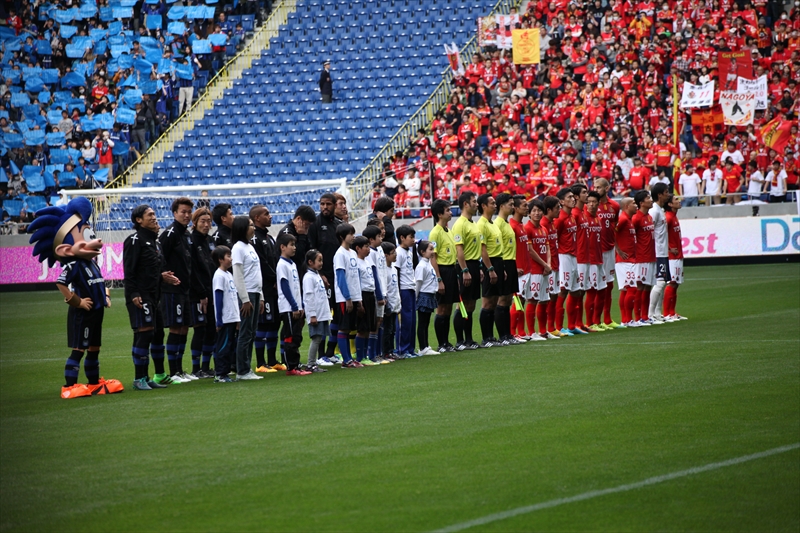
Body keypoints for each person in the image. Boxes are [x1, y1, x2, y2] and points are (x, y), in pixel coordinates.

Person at [27, 197, 122, 398]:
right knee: (79, 349)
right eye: (85, 236)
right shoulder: (74, 265)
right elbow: (61, 283)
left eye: (91, 234)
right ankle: (69, 386)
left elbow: (99, 282)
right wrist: (76, 301)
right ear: (66, 249)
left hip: (97, 312)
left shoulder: (93, 263)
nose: (95, 240)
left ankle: (94, 383)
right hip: (82, 315)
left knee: (94, 349)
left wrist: (105, 295)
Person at [124, 205, 179, 390]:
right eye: (150, 215)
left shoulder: (156, 243)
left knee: (156, 333)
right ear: (139, 220)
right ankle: (139, 379)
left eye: (155, 214)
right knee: (145, 332)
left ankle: (148, 377)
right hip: (141, 295)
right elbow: (129, 271)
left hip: (155, 295)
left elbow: (156, 269)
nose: (154, 217)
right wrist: (134, 294)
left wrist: (165, 276)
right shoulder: (134, 240)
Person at [159, 197, 196, 383]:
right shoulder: (170, 233)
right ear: (174, 213)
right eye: (183, 212)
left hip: (185, 290)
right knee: (175, 328)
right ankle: (173, 372)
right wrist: (164, 275)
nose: (187, 215)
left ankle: (180, 370)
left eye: (189, 212)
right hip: (171, 290)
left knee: (183, 328)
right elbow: (159, 258)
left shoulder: (187, 234)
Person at [308, 193, 342, 363]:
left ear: (335, 205)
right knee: (323, 314)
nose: (325, 207)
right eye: (322, 204)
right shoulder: (315, 225)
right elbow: (312, 252)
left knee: (338, 315)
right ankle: (321, 354)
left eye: (328, 204)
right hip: (323, 277)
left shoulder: (339, 225)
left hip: (338, 277)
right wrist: (320, 274)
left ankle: (330, 352)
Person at [249, 205, 282, 373]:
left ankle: (272, 360)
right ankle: (261, 362)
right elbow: (262, 264)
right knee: (264, 324)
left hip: (273, 288)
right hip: (265, 288)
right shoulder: (254, 239)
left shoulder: (269, 238)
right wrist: (274, 278)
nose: (270, 216)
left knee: (274, 323)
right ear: (256, 218)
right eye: (266, 214)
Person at [231, 216, 264, 381]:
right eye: (251, 225)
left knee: (251, 332)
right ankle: (242, 370)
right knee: (245, 332)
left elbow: (256, 273)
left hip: (255, 293)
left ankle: (246, 368)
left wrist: (261, 296)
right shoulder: (238, 248)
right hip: (247, 294)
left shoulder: (250, 246)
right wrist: (244, 299)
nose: (254, 228)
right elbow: (238, 275)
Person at [276, 232, 311, 376]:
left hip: (296, 307)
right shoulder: (282, 265)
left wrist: (301, 305)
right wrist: (294, 306)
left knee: (296, 336)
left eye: (295, 244)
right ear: (282, 247)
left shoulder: (292, 264)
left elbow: (297, 288)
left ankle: (295, 364)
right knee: (290, 336)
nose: (294, 248)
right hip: (288, 307)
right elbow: (285, 288)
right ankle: (291, 367)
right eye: (291, 245)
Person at [188, 207, 216, 378]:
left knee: (211, 329)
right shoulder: (191, 241)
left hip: (212, 292)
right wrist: (201, 293)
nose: (206, 225)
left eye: (208, 221)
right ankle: (195, 368)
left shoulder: (211, 241)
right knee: (200, 329)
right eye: (202, 221)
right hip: (198, 294)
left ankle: (206, 366)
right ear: (195, 222)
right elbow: (193, 271)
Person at [428, 199, 458, 353]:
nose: (450, 213)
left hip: (451, 271)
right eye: (448, 210)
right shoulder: (435, 232)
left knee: (448, 308)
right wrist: (439, 279)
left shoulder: (449, 230)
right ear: (440, 214)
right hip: (443, 271)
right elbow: (433, 257)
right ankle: (441, 343)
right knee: (441, 309)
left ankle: (446, 342)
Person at [452, 191, 481, 350]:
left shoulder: (472, 222)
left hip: (475, 265)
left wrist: (480, 268)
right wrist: (465, 270)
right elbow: (459, 250)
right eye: (474, 202)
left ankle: (469, 339)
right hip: (466, 266)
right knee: (462, 304)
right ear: (466, 204)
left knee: (471, 305)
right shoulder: (460, 224)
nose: (477, 204)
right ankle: (459, 341)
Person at [593, 178, 622, 329]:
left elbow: (614, 226)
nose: (596, 189)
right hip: (596, 252)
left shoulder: (615, 206)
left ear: (607, 188)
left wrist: (616, 247)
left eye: (599, 187)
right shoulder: (590, 206)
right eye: (595, 187)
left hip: (609, 250)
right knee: (597, 286)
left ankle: (608, 319)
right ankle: (595, 321)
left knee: (609, 285)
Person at [333, 223, 362, 368]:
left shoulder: (352, 253)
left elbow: (355, 277)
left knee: (350, 327)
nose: (353, 236)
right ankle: (346, 360)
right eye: (351, 234)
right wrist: (348, 298)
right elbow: (340, 278)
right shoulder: (340, 254)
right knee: (344, 328)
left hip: (355, 297)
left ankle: (350, 358)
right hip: (345, 298)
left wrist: (359, 299)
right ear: (342, 237)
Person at [475, 193, 503, 347]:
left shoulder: (492, 223)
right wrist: (490, 268)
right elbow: (483, 249)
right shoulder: (482, 224)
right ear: (484, 206)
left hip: (497, 262)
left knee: (493, 301)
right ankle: (486, 338)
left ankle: (492, 337)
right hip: (489, 263)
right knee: (487, 302)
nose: (495, 205)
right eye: (492, 203)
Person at [523, 198, 553, 341]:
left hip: (544, 270)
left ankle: (543, 331)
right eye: (534, 210)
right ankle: (531, 332)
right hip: (534, 270)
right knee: (533, 300)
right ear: (529, 213)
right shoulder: (527, 228)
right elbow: (530, 251)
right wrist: (545, 265)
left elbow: (547, 247)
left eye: (539, 210)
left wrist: (548, 264)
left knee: (544, 300)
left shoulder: (544, 229)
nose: (537, 213)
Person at [493, 193, 519, 345]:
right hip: (504, 262)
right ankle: (502, 335)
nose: (512, 207)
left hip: (511, 262)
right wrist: (501, 266)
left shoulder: (507, 222)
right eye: (510, 204)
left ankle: (508, 334)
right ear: (501, 206)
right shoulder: (498, 224)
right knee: (502, 300)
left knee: (508, 299)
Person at [352, 235, 382, 364]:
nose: (368, 249)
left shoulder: (368, 262)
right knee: (362, 328)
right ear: (358, 248)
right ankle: (360, 357)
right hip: (362, 295)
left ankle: (367, 356)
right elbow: (357, 282)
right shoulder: (356, 263)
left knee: (370, 326)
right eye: (365, 246)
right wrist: (359, 302)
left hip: (370, 295)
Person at [211, 246, 238, 383]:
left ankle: (225, 372)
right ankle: (220, 374)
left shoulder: (229, 274)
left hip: (232, 317)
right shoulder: (219, 275)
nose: (231, 258)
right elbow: (218, 298)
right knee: (223, 346)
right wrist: (219, 319)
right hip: (225, 318)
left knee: (230, 346)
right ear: (220, 259)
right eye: (228, 256)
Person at [364, 225, 389, 364]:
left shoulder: (379, 250)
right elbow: (374, 275)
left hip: (383, 290)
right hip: (376, 292)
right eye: (378, 236)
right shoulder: (371, 253)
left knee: (379, 322)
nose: (381, 238)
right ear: (371, 239)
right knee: (375, 323)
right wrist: (379, 294)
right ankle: (372, 354)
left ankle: (378, 353)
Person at [583, 191, 608, 332]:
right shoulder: (583, 218)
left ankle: (597, 321)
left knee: (602, 290)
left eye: (594, 202)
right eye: (589, 202)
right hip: (590, 260)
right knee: (591, 291)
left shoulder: (598, 218)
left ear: (599, 204)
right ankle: (589, 322)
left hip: (599, 259)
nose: (591, 204)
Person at [302, 249, 330, 373]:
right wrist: (312, 315)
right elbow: (309, 297)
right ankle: (311, 363)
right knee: (316, 338)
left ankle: (313, 363)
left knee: (319, 338)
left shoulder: (316, 275)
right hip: (316, 314)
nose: (321, 263)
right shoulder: (308, 277)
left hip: (321, 313)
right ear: (310, 262)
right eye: (319, 260)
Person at [632, 191, 656, 326]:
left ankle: (645, 316)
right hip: (641, 257)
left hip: (650, 256)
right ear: (641, 203)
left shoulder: (649, 217)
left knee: (647, 286)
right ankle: (638, 317)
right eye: (648, 198)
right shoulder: (636, 218)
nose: (651, 200)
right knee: (640, 286)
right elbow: (630, 237)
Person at [647, 183, 670, 323]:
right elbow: (649, 231)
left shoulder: (659, 210)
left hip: (663, 251)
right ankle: (650, 313)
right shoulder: (654, 211)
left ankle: (657, 313)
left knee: (663, 282)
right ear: (660, 194)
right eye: (666, 192)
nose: (668, 194)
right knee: (660, 282)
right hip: (657, 252)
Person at [569, 184, 590, 334]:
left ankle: (579, 323)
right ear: (576, 196)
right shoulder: (575, 214)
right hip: (579, 257)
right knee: (576, 291)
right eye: (584, 192)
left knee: (581, 291)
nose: (586, 194)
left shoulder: (582, 212)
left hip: (585, 256)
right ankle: (574, 324)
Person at [663, 195, 687, 321]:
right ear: (670, 204)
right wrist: (668, 248)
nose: (679, 201)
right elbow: (659, 235)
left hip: (677, 255)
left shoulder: (674, 216)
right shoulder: (667, 217)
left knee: (676, 283)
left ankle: (672, 312)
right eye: (676, 200)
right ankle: (667, 313)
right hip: (671, 256)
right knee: (672, 282)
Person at [615, 198, 638, 327]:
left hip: (629, 259)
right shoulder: (623, 219)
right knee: (631, 288)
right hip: (625, 260)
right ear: (627, 206)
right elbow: (612, 232)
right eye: (634, 204)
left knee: (625, 290)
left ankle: (625, 320)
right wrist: (618, 250)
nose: (636, 206)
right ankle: (628, 320)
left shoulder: (629, 220)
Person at [541, 196, 562, 337]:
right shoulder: (543, 224)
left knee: (554, 296)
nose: (559, 210)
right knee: (545, 298)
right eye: (557, 208)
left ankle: (551, 327)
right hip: (547, 267)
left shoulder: (552, 223)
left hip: (555, 264)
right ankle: (545, 329)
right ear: (549, 210)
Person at [395, 224, 417, 358]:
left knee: (412, 320)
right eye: (411, 237)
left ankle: (410, 348)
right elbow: (396, 273)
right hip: (403, 289)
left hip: (411, 288)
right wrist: (397, 293)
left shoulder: (409, 252)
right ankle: (402, 349)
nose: (413, 240)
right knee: (405, 320)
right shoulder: (398, 253)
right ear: (402, 238)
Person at [414, 240, 439, 356]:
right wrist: (416, 297)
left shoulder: (428, 263)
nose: (432, 251)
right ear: (422, 252)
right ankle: (423, 347)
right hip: (424, 295)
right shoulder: (421, 266)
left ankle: (426, 345)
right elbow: (418, 283)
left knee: (426, 322)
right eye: (430, 249)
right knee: (423, 322)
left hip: (430, 294)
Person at [280, 205, 316, 279]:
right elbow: (297, 255)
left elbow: (308, 251)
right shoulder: (287, 233)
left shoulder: (303, 231)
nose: (307, 227)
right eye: (307, 224)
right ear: (299, 219)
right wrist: (302, 236)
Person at [381, 241, 401, 359]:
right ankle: (386, 351)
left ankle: (391, 350)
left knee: (393, 329)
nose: (395, 255)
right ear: (385, 255)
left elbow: (395, 287)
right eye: (393, 253)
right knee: (387, 329)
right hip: (388, 304)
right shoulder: (384, 270)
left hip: (395, 303)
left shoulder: (394, 269)